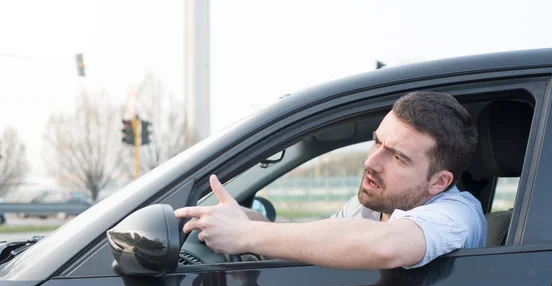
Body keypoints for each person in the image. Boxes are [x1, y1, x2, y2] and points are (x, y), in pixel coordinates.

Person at [174, 91, 487, 270]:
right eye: (377, 142)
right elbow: (312, 241)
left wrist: (247, 234)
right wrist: (243, 218)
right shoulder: (371, 206)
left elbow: (386, 246)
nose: (371, 161)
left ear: (439, 182)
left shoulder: (456, 215)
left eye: (397, 157)